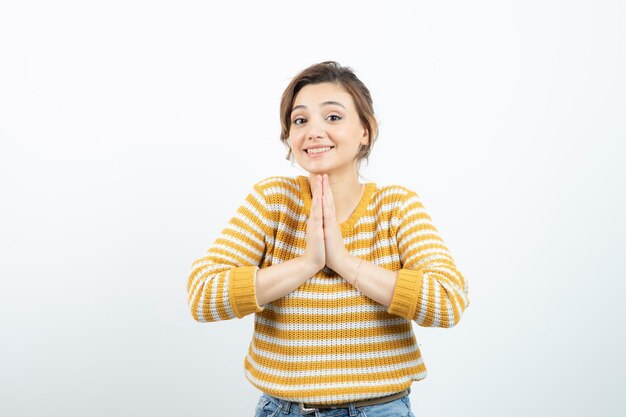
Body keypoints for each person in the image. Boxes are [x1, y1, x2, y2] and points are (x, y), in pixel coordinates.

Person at [187, 61, 470, 417]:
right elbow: (203, 296)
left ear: (366, 130)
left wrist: (345, 262)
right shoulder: (272, 201)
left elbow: (448, 302)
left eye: (333, 117)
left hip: (378, 410)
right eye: (300, 120)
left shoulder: (396, 206)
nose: (313, 131)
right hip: (282, 410)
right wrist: (307, 263)